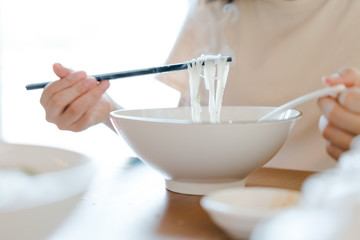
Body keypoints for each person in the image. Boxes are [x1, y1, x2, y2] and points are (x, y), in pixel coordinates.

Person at [40, 0, 360, 171]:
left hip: (329, 210)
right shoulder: (211, 8)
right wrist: (105, 110)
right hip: (211, 207)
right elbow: (188, 144)